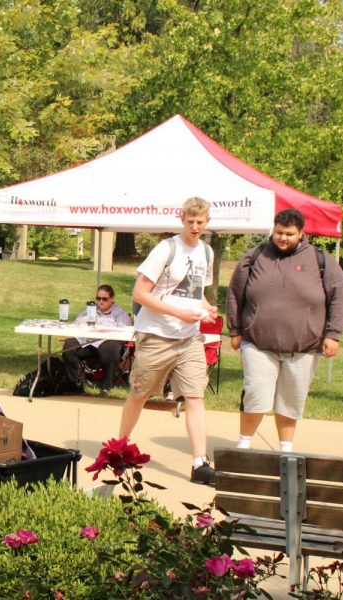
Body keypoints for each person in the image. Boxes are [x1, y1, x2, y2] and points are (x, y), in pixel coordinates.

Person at [226, 209, 343, 453]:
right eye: (279, 232)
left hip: (304, 347)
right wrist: (235, 330)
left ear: (301, 233)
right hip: (258, 343)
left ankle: (286, 451)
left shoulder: (320, 260)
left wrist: (333, 335)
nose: (283, 238)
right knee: (255, 395)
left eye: (289, 234)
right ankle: (244, 446)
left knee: (291, 401)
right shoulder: (256, 256)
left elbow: (340, 296)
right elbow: (234, 293)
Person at [118, 197, 218, 485]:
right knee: (140, 394)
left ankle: (200, 462)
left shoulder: (207, 253)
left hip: (189, 339)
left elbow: (193, 291)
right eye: (191, 222)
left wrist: (206, 308)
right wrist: (179, 312)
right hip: (157, 335)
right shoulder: (167, 248)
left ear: (207, 222)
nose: (196, 227)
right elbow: (140, 294)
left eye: (201, 222)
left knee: (196, 397)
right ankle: (120, 447)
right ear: (182, 219)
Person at [61, 284, 133, 395]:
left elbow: (126, 334)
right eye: (98, 298)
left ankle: (106, 386)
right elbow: (75, 326)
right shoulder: (90, 311)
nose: (101, 302)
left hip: (108, 345)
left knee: (110, 347)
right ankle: (75, 383)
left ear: (112, 298)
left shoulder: (120, 313)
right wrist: (85, 323)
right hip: (88, 343)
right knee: (69, 345)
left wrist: (107, 332)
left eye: (104, 299)